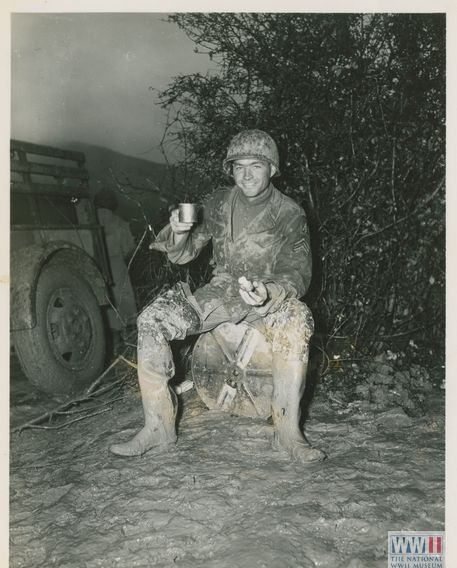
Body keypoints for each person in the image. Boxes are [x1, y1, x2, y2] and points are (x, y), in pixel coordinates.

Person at [110, 130, 325, 463]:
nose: (247, 174)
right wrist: (179, 235)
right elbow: (184, 253)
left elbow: (297, 273)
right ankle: (158, 426)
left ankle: (287, 432)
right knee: (152, 321)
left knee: (296, 321)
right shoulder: (218, 202)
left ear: (272, 168)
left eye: (256, 165)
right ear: (231, 170)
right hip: (222, 293)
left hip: (268, 297)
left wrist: (269, 292)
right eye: (239, 166)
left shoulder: (289, 213)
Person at [94, 188, 138, 342]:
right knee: (123, 297)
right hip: (117, 264)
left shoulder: (91, 221)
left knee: (106, 300)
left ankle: (113, 337)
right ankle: (129, 337)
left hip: (97, 265)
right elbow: (129, 248)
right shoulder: (120, 223)